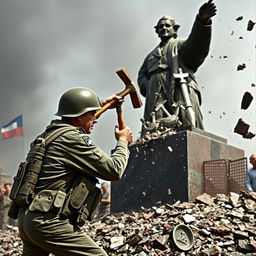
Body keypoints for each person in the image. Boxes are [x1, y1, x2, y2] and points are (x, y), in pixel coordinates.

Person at [17, 87, 133, 256]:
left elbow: (79, 119)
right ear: (79, 116)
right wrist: (123, 142)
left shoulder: (52, 132)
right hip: (47, 221)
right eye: (92, 114)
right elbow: (114, 170)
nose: (95, 119)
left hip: (28, 220)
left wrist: (101, 104)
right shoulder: (72, 139)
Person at [137, 0, 217, 135]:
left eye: (167, 25)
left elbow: (197, 45)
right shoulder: (150, 56)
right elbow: (142, 74)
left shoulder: (179, 45)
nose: (164, 28)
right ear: (157, 31)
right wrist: (146, 84)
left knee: (188, 123)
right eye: (160, 26)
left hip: (181, 87)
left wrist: (202, 23)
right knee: (155, 127)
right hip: (156, 93)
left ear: (175, 29)